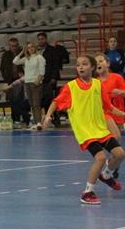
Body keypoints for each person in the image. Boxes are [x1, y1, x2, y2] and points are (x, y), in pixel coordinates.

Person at [42, 55, 125, 205]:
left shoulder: (98, 85)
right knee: (100, 158)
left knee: (120, 154)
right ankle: (87, 192)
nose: (80, 67)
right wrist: (48, 116)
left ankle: (106, 175)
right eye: (78, 65)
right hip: (85, 132)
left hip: (100, 129)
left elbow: (109, 107)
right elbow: (56, 102)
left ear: (92, 67)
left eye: (84, 64)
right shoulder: (71, 87)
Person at [95, 52, 125, 177]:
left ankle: (113, 164)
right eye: (96, 62)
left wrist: (120, 92)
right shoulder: (95, 82)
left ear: (107, 63)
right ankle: (112, 164)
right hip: (104, 114)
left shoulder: (117, 77)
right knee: (115, 137)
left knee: (117, 140)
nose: (98, 63)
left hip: (117, 112)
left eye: (101, 61)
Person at [36, 32, 69, 125]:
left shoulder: (52, 50)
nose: (41, 41)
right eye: (39, 39)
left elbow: (56, 64)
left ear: (46, 39)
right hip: (38, 79)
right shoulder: (36, 51)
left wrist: (54, 77)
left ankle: (54, 118)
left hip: (49, 78)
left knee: (50, 99)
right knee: (42, 100)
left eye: (42, 39)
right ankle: (44, 118)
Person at [13, 41, 45, 130]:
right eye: (28, 48)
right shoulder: (26, 58)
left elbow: (42, 71)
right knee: (31, 104)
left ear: (35, 48)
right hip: (27, 82)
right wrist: (22, 52)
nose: (30, 49)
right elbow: (15, 61)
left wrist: (38, 81)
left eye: (32, 47)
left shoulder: (39, 58)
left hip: (36, 83)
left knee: (36, 103)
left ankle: (39, 122)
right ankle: (35, 122)